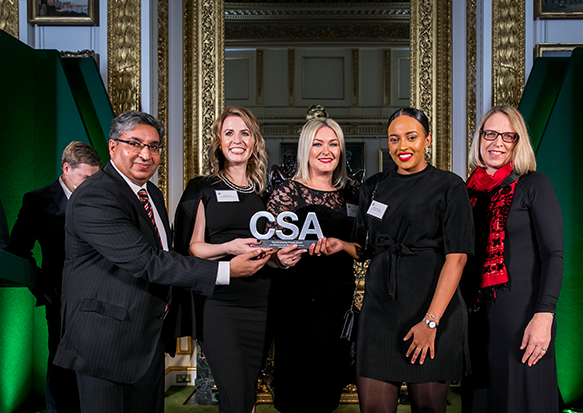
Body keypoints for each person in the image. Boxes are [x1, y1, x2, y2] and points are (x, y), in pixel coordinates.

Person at [53, 110, 271, 413]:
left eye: (153, 147)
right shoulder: (95, 196)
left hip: (146, 339)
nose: (145, 154)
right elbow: (148, 262)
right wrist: (227, 269)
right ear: (113, 147)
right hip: (104, 344)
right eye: (135, 144)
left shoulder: (151, 193)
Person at [312, 107, 474, 413]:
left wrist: (430, 321)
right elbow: (366, 247)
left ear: (427, 140)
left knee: (428, 409)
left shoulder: (450, 186)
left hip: (430, 310)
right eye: (395, 139)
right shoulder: (374, 186)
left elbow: (458, 259)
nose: (403, 147)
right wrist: (341, 245)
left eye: (411, 137)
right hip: (379, 313)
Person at [173, 106, 303, 412]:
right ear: (219, 141)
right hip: (220, 302)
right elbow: (194, 247)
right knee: (236, 392)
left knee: (247, 392)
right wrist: (229, 247)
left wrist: (280, 259)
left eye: (245, 133)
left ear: (254, 142)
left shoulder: (263, 194)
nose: (237, 139)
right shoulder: (202, 187)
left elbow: (264, 250)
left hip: (260, 301)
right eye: (229, 132)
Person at [460, 105, 563, 413]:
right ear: (479, 138)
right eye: (490, 134)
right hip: (476, 322)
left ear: (519, 143)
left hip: (524, 320)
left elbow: (553, 254)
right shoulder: (466, 192)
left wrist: (544, 315)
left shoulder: (535, 184)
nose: (497, 142)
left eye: (508, 136)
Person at [265, 117, 358, 413]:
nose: (326, 150)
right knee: (296, 389)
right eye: (318, 144)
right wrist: (279, 258)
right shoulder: (287, 193)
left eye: (333, 144)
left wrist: (341, 245)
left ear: (341, 150)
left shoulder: (353, 193)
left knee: (328, 387)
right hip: (295, 300)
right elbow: (267, 248)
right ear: (306, 149)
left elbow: (365, 248)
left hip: (337, 300)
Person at [7, 141, 102, 413]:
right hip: (61, 299)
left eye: (94, 178)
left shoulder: (99, 199)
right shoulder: (37, 201)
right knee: (61, 365)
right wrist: (44, 289)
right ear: (65, 168)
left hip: (99, 296)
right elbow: (18, 250)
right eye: (84, 177)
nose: (89, 185)